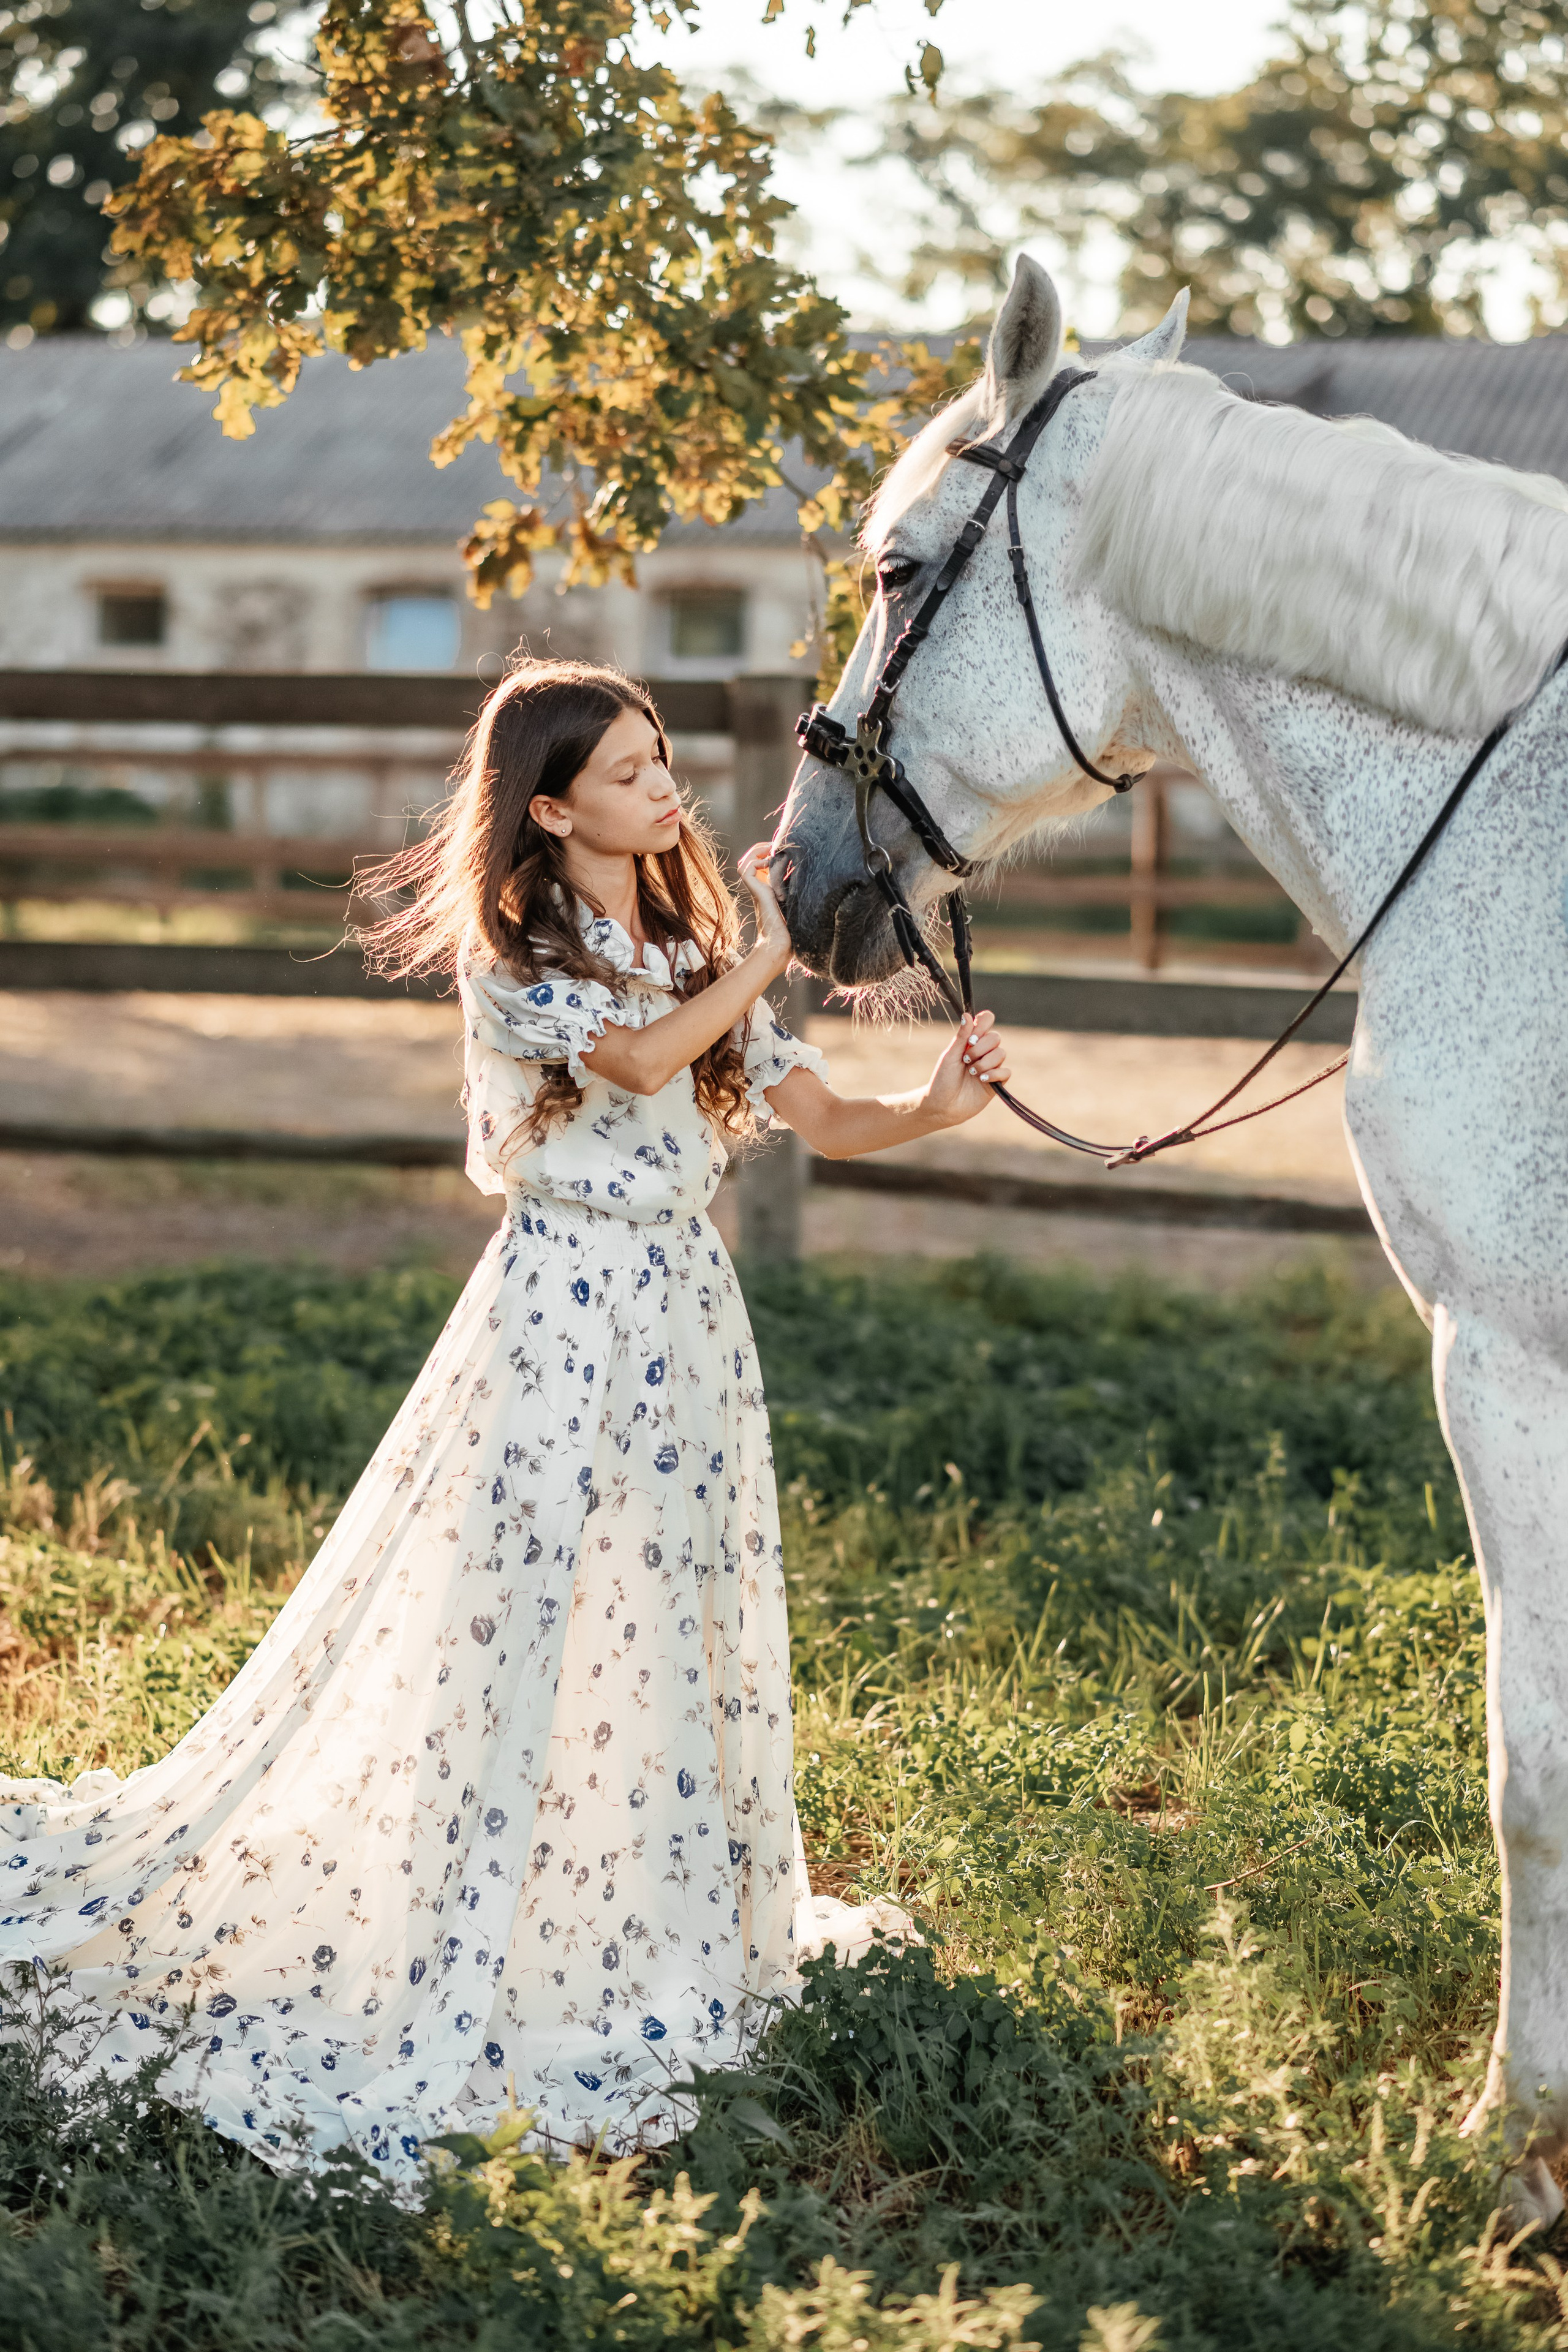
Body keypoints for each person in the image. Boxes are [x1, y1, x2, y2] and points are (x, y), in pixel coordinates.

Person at [0, 658, 1011, 2187]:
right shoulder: (516, 951)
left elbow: (820, 1118)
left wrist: (935, 1101)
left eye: (661, 754)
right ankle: (475, 1901)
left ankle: (639, 1903)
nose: (661, 784)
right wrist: (772, 950)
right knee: (521, 1612)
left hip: (682, 1315)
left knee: (664, 1613)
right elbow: (632, 1060)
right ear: (548, 807)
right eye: (622, 770)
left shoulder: (691, 935)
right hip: (558, 1310)